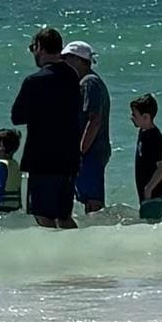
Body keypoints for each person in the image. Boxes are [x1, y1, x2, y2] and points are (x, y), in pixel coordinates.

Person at [10, 28, 83, 229]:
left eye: (33, 48)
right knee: (64, 215)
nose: (34, 53)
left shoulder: (34, 81)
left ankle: (54, 258)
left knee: (43, 215)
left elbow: (17, 116)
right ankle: (75, 249)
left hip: (43, 158)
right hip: (69, 156)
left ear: (40, 47)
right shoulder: (71, 75)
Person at [62, 41, 111, 214]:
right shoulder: (87, 82)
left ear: (79, 60)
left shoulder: (90, 83)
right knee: (87, 199)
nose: (64, 63)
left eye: (67, 59)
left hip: (91, 151)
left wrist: (81, 150)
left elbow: (95, 119)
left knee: (92, 202)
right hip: (92, 150)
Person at [130, 95, 162, 221]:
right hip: (148, 197)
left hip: (155, 195)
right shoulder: (143, 131)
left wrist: (148, 189)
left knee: (148, 226)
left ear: (146, 117)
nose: (132, 117)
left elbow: (161, 168)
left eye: (135, 115)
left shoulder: (154, 137)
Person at [0, 128, 23, 215]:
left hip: (0, 208)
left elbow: (0, 187)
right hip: (14, 207)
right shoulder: (15, 165)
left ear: (1, 147)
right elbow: (18, 188)